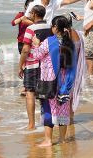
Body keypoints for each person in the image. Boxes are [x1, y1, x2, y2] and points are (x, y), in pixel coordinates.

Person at [32, 16, 77, 147]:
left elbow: (37, 55)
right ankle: (62, 139)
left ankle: (48, 140)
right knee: (63, 111)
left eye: (52, 26)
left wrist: (36, 44)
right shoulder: (70, 43)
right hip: (65, 82)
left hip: (49, 81)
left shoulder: (49, 41)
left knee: (48, 110)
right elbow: (73, 65)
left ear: (56, 28)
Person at [18, 5, 52, 130]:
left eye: (31, 13)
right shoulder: (50, 27)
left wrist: (20, 65)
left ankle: (31, 124)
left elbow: (26, 49)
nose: (30, 15)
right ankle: (47, 120)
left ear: (35, 14)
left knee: (30, 93)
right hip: (47, 65)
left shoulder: (30, 28)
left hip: (32, 64)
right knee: (45, 93)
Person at [20, 0, 86, 26]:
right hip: (37, 31)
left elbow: (67, 1)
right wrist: (36, 24)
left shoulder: (54, 1)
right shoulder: (34, 4)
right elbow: (24, 19)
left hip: (49, 30)